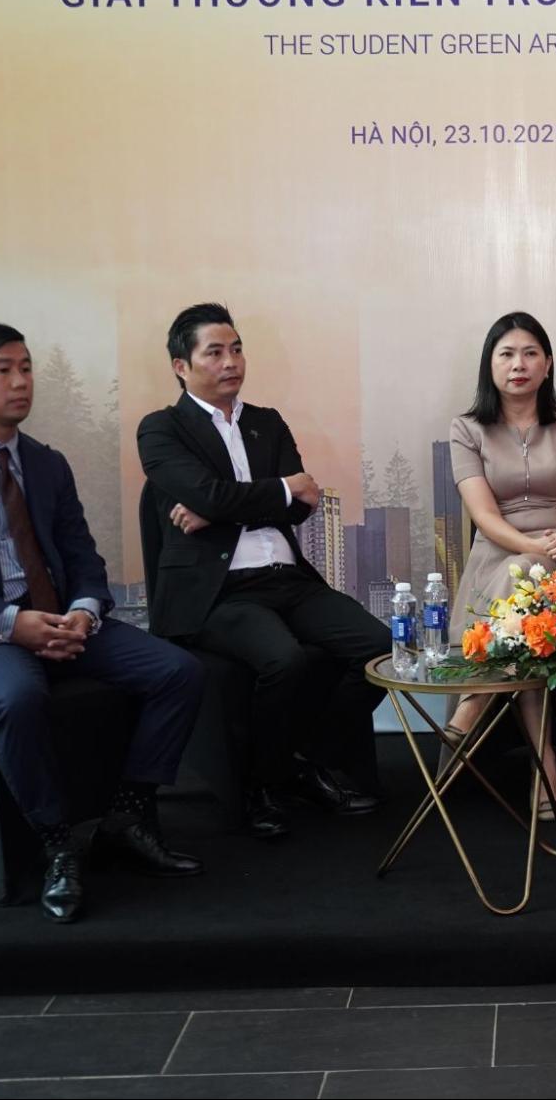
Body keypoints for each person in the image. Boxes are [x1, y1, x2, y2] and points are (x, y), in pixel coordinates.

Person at [0, 324, 206, 924]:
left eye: (26, 367)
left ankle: (126, 815)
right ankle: (57, 844)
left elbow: (82, 556)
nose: (21, 381)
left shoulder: (47, 464)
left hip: (58, 616)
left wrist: (83, 610)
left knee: (178, 672)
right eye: (3, 369)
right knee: (18, 695)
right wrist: (11, 623)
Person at [136, 303, 389, 839]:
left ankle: (306, 761)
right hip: (218, 592)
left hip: (287, 579)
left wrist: (220, 508)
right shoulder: (161, 430)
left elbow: (303, 504)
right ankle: (260, 785)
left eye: (236, 349)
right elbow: (236, 493)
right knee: (284, 660)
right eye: (214, 352)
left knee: (380, 649)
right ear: (181, 366)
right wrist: (274, 491)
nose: (231, 362)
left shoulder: (265, 423)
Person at [444, 312, 556, 818]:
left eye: (529, 353)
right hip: (498, 557)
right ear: (490, 365)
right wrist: (530, 547)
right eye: (506, 354)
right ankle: (544, 762)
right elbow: (483, 516)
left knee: (529, 586)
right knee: (523, 577)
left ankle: (479, 699)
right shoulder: (467, 428)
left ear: (547, 364)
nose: (518, 364)